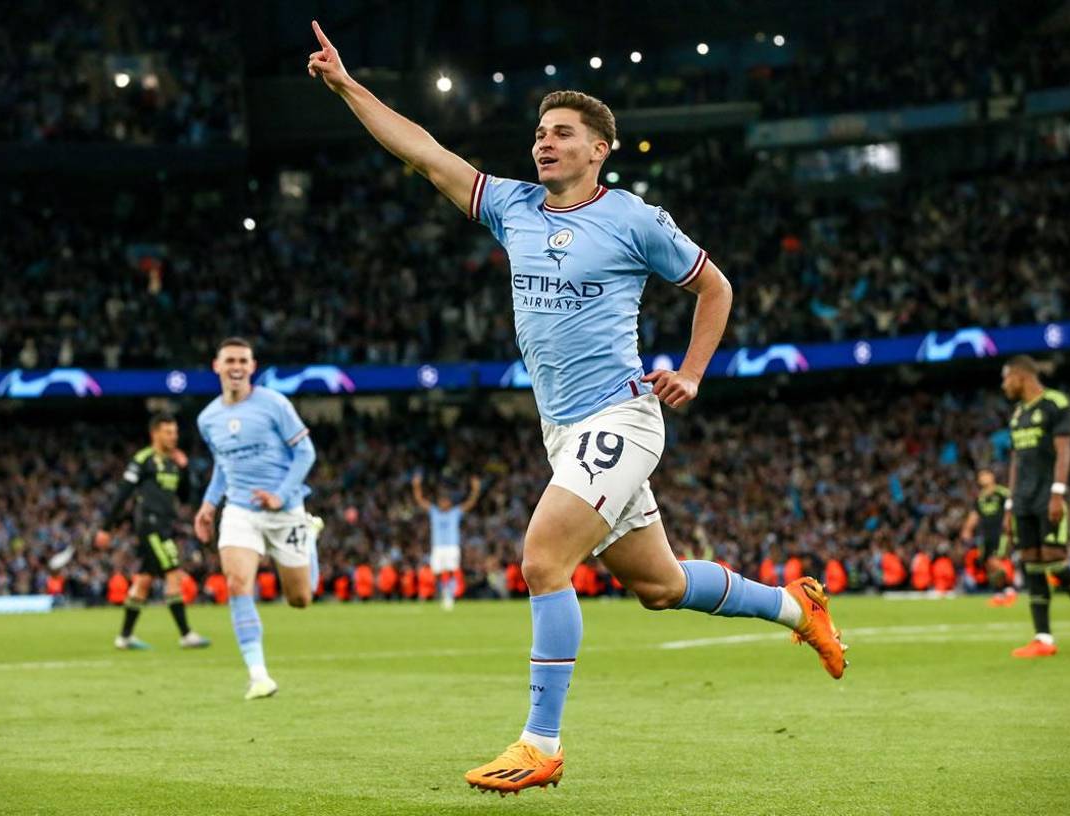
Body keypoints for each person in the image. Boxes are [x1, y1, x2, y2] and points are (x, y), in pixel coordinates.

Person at [307, 21, 846, 795]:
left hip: (621, 418)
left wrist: (692, 372)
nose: (544, 143)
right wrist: (348, 86)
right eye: (539, 133)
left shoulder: (633, 218)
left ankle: (540, 742)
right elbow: (423, 151)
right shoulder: (514, 207)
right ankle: (796, 609)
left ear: (600, 149)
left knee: (543, 559)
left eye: (562, 133)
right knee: (659, 586)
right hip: (563, 430)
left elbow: (715, 287)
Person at [194, 337, 322, 700]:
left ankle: (309, 537)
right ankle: (258, 675)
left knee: (299, 600)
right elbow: (223, 464)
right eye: (230, 360)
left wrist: (281, 494)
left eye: (243, 361)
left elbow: (305, 451)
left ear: (252, 367)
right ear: (216, 366)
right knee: (236, 583)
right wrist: (208, 503)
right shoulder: (208, 418)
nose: (236, 366)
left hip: (285, 511)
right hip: (239, 510)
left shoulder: (274, 404)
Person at [1000, 356, 1070, 657]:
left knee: (1055, 561)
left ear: (1020, 376)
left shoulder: (1055, 403)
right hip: (1023, 498)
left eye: (1006, 378)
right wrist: (1010, 505)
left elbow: (1065, 450)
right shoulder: (1018, 413)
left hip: (1048, 494)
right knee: (1031, 563)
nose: (1003, 385)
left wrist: (1058, 493)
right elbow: (1016, 460)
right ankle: (1043, 638)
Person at [98, 413, 210, 651]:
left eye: (175, 432)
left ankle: (125, 637)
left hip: (166, 525)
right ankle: (186, 634)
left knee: (144, 581)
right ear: (155, 434)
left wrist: (186, 468)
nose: (173, 437)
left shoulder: (173, 462)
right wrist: (106, 527)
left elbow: (184, 497)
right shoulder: (143, 460)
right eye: (168, 432)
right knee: (173, 573)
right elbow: (123, 494)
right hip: (151, 526)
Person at [412, 472, 482, 610]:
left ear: (450, 503)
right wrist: (416, 486)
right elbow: (420, 500)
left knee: (450, 571)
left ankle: (448, 595)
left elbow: (470, 503)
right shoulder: (434, 512)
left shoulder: (455, 512)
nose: (443, 503)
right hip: (438, 547)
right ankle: (443, 592)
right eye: (441, 501)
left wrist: (475, 489)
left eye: (446, 501)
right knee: (437, 572)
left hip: (451, 546)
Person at [958, 468, 1014, 606]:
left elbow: (1011, 510)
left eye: (985, 475)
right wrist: (967, 529)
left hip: (1000, 533)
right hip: (985, 534)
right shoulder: (980, 498)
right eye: (980, 476)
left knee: (996, 561)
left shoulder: (1003, 493)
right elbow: (974, 515)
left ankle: (1010, 590)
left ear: (992, 476)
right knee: (988, 564)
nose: (983, 478)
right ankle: (1000, 593)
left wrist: (1010, 526)